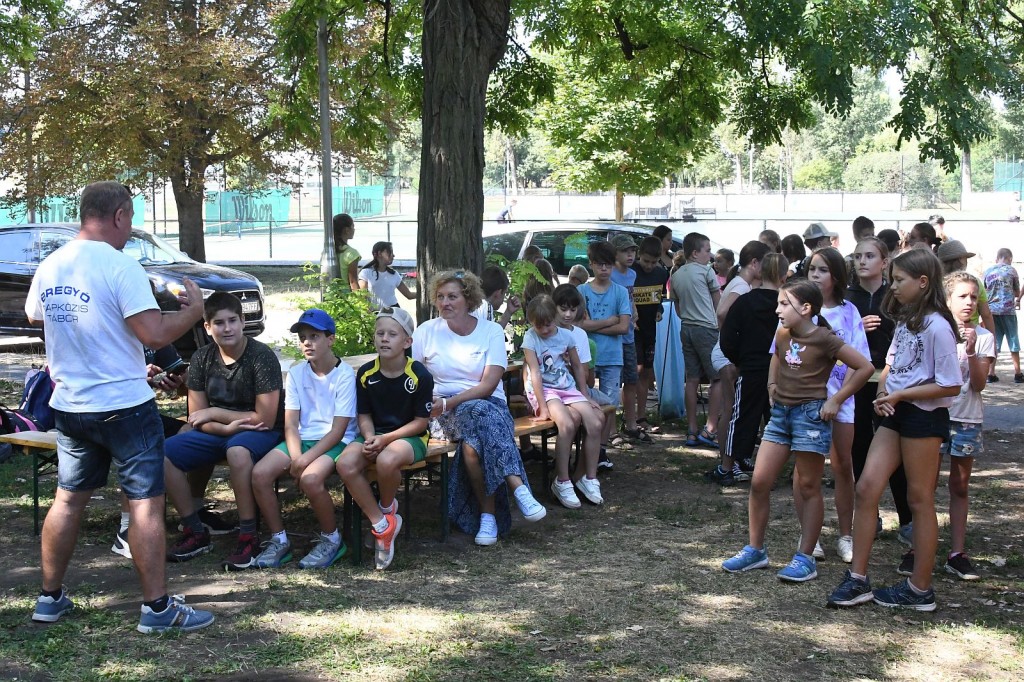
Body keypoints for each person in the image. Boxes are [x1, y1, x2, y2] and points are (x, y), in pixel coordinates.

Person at [25, 180, 214, 632]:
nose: (130, 229)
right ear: (120, 215)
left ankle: (49, 599)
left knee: (68, 500)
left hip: (71, 405)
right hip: (125, 407)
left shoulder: (52, 264)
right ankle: (157, 609)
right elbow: (154, 333)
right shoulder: (121, 265)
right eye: (130, 219)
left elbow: (36, 315)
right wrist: (194, 311)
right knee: (146, 503)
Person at [827, 249, 962, 611]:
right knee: (866, 487)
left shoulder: (938, 326)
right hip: (895, 413)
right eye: (893, 279)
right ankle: (857, 579)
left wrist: (902, 395)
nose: (894, 286)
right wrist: (883, 393)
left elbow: (950, 384)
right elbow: (890, 365)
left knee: (918, 499)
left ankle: (920, 589)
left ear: (923, 282)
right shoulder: (905, 320)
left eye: (900, 280)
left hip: (923, 418)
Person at [722, 279, 872, 582]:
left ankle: (805, 558)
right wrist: (771, 384)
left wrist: (836, 399)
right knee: (759, 482)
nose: (777, 310)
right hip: (780, 416)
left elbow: (864, 367)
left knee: (808, 486)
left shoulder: (825, 339)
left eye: (783, 304)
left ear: (806, 308)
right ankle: (755, 550)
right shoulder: (783, 332)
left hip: (810, 418)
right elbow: (777, 356)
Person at [412, 270, 546, 546]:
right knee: (477, 420)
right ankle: (518, 488)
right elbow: (417, 379)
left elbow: (488, 385)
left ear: (468, 299)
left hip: (488, 406)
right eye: (440, 297)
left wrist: (451, 401)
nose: (445, 303)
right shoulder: (425, 331)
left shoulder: (491, 331)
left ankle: (487, 517)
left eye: (452, 297)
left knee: (473, 445)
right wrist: (440, 404)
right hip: (443, 414)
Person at [164, 291, 284, 570]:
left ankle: (248, 535)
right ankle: (194, 529)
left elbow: (265, 419)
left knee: (238, 452)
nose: (227, 328)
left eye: (232, 321)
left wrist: (216, 413)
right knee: (163, 454)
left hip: (259, 432)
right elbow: (196, 417)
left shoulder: (261, 357)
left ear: (243, 322)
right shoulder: (202, 358)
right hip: (218, 430)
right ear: (207, 327)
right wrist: (225, 426)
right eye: (219, 323)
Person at [250, 309, 358, 570]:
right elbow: (291, 423)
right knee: (260, 474)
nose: (307, 343)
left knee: (310, 479)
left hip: (335, 441)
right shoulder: (297, 372)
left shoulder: (345, 375)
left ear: (330, 339)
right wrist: (297, 457)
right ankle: (279, 540)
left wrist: (304, 461)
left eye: (314, 336)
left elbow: (338, 430)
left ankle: (332, 539)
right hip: (302, 440)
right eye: (302, 338)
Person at [338, 307, 434, 570]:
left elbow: (420, 422)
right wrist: (370, 437)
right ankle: (382, 524)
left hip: (410, 436)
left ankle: (386, 508)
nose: (384, 339)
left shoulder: (420, 375)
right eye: (380, 333)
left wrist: (386, 439)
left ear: (407, 342)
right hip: (375, 433)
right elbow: (364, 414)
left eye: (392, 334)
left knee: (387, 460)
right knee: (345, 464)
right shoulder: (366, 373)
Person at [802, 247, 870, 563]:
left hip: (841, 401)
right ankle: (809, 535)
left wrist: (838, 398)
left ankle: (845, 535)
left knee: (843, 465)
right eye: (812, 269)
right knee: (806, 470)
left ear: (837, 276)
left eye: (823, 270)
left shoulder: (849, 312)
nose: (816, 275)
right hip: (805, 402)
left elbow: (861, 362)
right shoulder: (799, 309)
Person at [929, 272, 993, 581]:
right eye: (962, 296)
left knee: (959, 485)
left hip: (967, 419)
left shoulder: (984, 337)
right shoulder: (936, 329)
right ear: (947, 299)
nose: (969, 302)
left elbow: (979, 385)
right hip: (935, 416)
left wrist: (970, 351)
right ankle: (919, 547)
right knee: (925, 485)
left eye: (973, 297)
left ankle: (957, 553)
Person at [847, 238, 911, 543]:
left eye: (870, 256)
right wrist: (856, 328)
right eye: (858, 256)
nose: (862, 261)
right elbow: (833, 337)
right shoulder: (847, 298)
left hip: (891, 383)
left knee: (896, 451)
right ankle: (868, 516)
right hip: (855, 381)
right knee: (858, 447)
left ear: (884, 262)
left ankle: (907, 518)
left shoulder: (896, 295)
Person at [522, 296, 605, 509]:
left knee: (596, 422)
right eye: (538, 325)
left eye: (548, 324)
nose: (544, 330)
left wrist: (585, 395)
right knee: (566, 424)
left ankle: (589, 478)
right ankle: (562, 480)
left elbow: (577, 366)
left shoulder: (567, 336)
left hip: (566, 387)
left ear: (555, 317)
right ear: (531, 322)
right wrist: (541, 407)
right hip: (544, 390)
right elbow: (534, 373)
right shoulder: (530, 338)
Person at [718, 253, 789, 484]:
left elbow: (727, 337)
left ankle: (727, 467)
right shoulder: (788, 305)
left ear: (760, 271)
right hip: (782, 371)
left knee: (741, 418)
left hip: (751, 369)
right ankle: (769, 471)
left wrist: (739, 359)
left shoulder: (745, 302)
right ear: (784, 276)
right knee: (777, 422)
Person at [705, 241, 771, 484]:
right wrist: (734, 339)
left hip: (732, 351)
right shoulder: (742, 287)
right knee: (732, 409)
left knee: (734, 409)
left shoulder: (742, 284)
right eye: (766, 263)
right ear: (754, 263)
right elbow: (722, 313)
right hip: (728, 353)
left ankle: (733, 460)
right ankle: (728, 463)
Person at [577, 241, 632, 470]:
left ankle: (601, 451)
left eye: (608, 264)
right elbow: (578, 324)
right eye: (599, 264)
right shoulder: (581, 292)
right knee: (583, 401)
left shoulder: (620, 292)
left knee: (609, 405)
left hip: (612, 356)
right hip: (584, 357)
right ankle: (584, 448)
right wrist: (609, 321)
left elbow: (624, 327)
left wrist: (594, 325)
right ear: (591, 264)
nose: (604, 269)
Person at [670, 231, 722, 448]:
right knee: (718, 378)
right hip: (707, 328)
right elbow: (719, 303)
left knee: (691, 379)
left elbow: (677, 307)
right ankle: (710, 428)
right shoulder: (707, 271)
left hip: (687, 327)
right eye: (707, 251)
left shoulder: (676, 275)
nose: (710, 256)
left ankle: (691, 430)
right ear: (694, 253)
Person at [553, 283, 615, 457]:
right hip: (556, 392)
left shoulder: (579, 335)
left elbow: (585, 376)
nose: (567, 314)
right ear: (553, 307)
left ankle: (597, 455)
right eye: (563, 309)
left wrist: (572, 365)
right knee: (579, 418)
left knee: (608, 407)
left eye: (572, 310)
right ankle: (566, 466)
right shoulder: (546, 332)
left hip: (578, 389)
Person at [609, 234, 649, 444]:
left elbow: (630, 297)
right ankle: (610, 428)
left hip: (629, 334)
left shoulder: (632, 274)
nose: (630, 254)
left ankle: (631, 423)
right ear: (614, 253)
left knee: (631, 378)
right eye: (625, 251)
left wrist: (634, 312)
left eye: (633, 250)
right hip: (614, 334)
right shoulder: (610, 274)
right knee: (612, 382)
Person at [631, 236, 670, 434]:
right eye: (646, 261)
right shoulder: (631, 272)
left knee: (646, 371)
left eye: (653, 262)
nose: (649, 266)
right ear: (639, 255)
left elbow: (659, 298)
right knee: (634, 372)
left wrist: (659, 310)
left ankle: (641, 416)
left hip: (650, 330)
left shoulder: (661, 274)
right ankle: (630, 416)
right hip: (633, 330)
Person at [937, 240, 995, 333]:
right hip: (972, 332)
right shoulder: (974, 283)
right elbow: (986, 314)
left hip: (941, 332)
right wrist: (992, 336)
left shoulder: (935, 284)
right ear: (960, 260)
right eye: (965, 258)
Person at [982, 248, 1023, 383]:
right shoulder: (1012, 271)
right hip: (1008, 311)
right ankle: (1018, 373)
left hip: (992, 312)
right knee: (1013, 339)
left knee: (995, 341)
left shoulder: (987, 271)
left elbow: (984, 291)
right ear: (1010, 258)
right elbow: (1017, 292)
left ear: (997, 258)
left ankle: (991, 373)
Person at [358, 241, 414, 308]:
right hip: (373, 312)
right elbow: (362, 296)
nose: (393, 255)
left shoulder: (394, 274)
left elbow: (409, 295)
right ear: (379, 254)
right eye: (390, 252)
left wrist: (424, 293)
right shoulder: (366, 273)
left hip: (393, 311)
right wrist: (367, 311)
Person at [333, 213, 360, 292]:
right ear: (347, 230)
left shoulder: (330, 250)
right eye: (353, 226)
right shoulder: (351, 253)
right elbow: (353, 282)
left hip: (331, 295)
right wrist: (360, 298)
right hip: (346, 296)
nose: (354, 230)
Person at [846, 216, 876, 286]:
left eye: (872, 234)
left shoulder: (878, 258)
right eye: (866, 235)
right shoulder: (848, 262)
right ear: (856, 237)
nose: (871, 238)